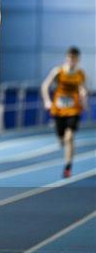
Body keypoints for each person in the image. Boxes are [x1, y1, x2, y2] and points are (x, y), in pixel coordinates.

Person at [41, 47, 87, 178]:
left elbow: (83, 88)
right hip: (59, 109)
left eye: (75, 59)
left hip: (74, 109)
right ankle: (62, 141)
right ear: (66, 58)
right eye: (70, 58)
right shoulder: (58, 71)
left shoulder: (80, 74)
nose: (72, 61)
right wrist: (47, 101)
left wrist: (83, 96)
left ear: (78, 60)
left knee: (69, 137)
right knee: (62, 138)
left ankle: (68, 166)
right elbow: (45, 86)